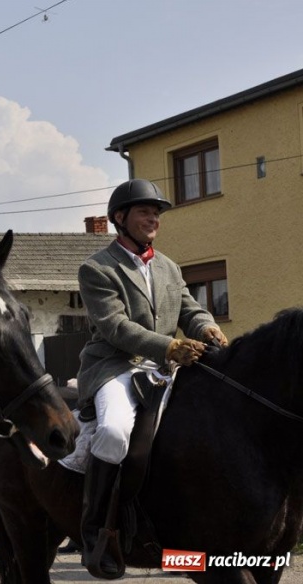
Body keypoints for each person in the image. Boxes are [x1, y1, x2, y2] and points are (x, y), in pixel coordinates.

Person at [76, 178, 228, 578]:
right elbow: (115, 327)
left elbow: (190, 311)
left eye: (156, 212)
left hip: (163, 368)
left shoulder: (168, 267)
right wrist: (169, 346)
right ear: (120, 218)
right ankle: (97, 530)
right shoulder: (96, 268)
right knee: (113, 431)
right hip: (116, 366)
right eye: (145, 211)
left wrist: (208, 328)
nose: (153, 218)